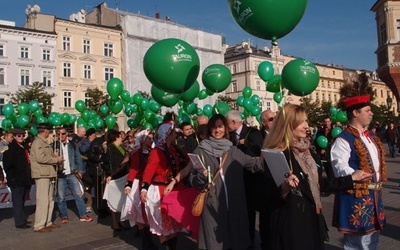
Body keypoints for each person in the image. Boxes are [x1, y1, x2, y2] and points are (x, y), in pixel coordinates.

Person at [263, 104, 372, 250]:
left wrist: (351, 178)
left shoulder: (309, 151)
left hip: (313, 219)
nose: (306, 126)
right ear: (288, 124)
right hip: (291, 225)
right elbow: (269, 196)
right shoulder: (278, 153)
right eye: (301, 122)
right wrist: (285, 187)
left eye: (306, 121)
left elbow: (321, 184)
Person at [189, 114, 265, 250]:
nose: (217, 130)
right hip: (213, 205)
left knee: (236, 240)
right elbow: (193, 179)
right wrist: (201, 176)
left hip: (235, 204)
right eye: (214, 127)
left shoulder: (232, 150)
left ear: (225, 128)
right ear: (209, 129)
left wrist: (267, 157)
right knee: (215, 243)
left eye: (220, 126)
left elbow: (252, 164)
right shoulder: (201, 151)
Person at [330, 95, 386, 249]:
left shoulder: (371, 137)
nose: (371, 113)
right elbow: (339, 166)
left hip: (374, 195)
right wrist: (354, 174)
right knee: (356, 245)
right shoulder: (343, 139)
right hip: (356, 196)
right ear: (355, 113)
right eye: (367, 110)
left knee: (372, 241)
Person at [140, 122, 189, 250]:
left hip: (175, 189)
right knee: (164, 226)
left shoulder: (174, 148)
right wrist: (144, 188)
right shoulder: (157, 151)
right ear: (167, 135)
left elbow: (186, 160)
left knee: (174, 226)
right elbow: (149, 170)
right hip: (162, 190)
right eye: (173, 133)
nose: (175, 135)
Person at [226, 110, 263, 248]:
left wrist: (246, 146)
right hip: (235, 177)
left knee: (249, 210)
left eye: (227, 123)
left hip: (250, 178)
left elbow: (258, 151)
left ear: (234, 122)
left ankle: (250, 239)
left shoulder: (253, 133)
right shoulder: (229, 136)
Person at [122, 129, 157, 250]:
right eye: (149, 138)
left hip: (149, 185)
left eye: (152, 138)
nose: (151, 140)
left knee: (147, 213)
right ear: (142, 139)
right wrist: (128, 185)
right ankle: (146, 241)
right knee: (140, 214)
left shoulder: (153, 152)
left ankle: (148, 241)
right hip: (138, 184)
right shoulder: (137, 153)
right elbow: (133, 169)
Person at [53, 128, 93, 224]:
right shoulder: (54, 146)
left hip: (72, 173)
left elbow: (78, 158)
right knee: (61, 197)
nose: (61, 136)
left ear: (66, 134)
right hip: (61, 174)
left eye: (63, 133)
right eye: (59, 134)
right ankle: (64, 216)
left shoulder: (72, 145)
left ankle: (83, 214)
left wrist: (80, 171)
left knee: (79, 195)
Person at [30, 123, 63, 233]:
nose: (49, 133)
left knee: (50, 199)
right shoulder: (38, 142)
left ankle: (47, 221)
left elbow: (46, 157)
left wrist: (52, 156)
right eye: (48, 131)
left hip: (48, 174)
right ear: (45, 131)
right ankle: (39, 225)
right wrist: (55, 160)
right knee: (42, 200)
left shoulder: (44, 142)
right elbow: (40, 158)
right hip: (42, 174)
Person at [3, 128, 32, 229]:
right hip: (16, 180)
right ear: (14, 137)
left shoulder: (24, 147)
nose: (21, 137)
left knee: (22, 200)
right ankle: (19, 222)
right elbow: (7, 166)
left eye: (23, 135)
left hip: (25, 178)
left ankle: (22, 218)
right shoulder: (11, 149)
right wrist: (12, 178)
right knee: (18, 201)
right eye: (19, 136)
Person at [102, 129, 130, 232]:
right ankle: (115, 221)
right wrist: (110, 174)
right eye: (120, 135)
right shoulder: (110, 148)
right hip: (115, 177)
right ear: (116, 137)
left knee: (122, 199)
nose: (122, 137)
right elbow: (108, 162)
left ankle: (121, 219)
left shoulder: (121, 147)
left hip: (124, 175)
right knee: (115, 199)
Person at [257, 109, 275, 250]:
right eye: (271, 119)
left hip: (280, 183)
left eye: (275, 118)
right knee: (266, 218)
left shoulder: (282, 135)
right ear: (264, 123)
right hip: (264, 184)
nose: (274, 121)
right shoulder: (256, 137)